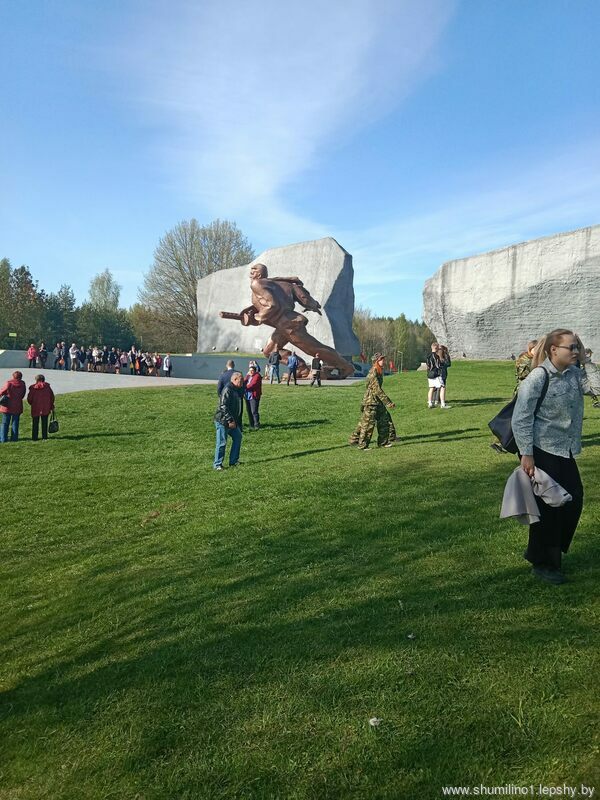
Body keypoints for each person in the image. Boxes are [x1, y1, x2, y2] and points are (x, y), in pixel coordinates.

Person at [512, 329, 600, 585]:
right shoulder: (538, 377)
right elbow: (521, 417)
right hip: (542, 449)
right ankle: (544, 563)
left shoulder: (574, 374)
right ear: (553, 350)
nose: (575, 351)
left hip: (566, 448)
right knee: (550, 508)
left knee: (573, 500)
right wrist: (526, 454)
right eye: (571, 347)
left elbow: (597, 388)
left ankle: (541, 552)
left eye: (577, 347)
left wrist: (586, 361)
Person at [349, 353, 396, 450]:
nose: (383, 361)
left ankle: (383, 442)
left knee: (384, 420)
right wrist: (388, 402)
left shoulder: (379, 370)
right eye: (381, 359)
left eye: (383, 359)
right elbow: (377, 389)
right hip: (371, 402)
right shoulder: (373, 372)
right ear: (376, 361)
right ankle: (363, 445)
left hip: (377, 401)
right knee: (368, 424)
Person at [213, 371, 244, 470]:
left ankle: (233, 461)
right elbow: (223, 406)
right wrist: (230, 420)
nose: (242, 383)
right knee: (222, 442)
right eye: (241, 381)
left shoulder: (236, 389)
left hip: (232, 421)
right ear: (234, 380)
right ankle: (217, 464)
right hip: (223, 420)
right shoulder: (228, 389)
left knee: (238, 437)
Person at [0, 370, 27, 443]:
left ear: (13, 376)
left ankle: (3, 438)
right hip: (17, 405)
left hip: (7, 405)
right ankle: (14, 438)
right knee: (15, 423)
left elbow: (1, 392)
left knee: (5, 423)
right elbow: (23, 394)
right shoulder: (22, 384)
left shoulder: (9, 383)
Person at [27, 374, 55, 440]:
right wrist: (51, 405)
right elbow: (52, 397)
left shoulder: (33, 388)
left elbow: (29, 398)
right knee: (45, 422)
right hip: (45, 407)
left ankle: (34, 437)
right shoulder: (47, 387)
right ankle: (44, 436)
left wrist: (32, 403)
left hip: (35, 407)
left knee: (35, 423)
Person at [244, 364, 262, 429]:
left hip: (254, 396)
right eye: (250, 370)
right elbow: (244, 381)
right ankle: (251, 424)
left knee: (254, 411)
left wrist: (243, 387)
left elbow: (252, 385)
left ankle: (256, 424)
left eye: (252, 370)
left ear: (255, 371)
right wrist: (247, 375)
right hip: (247, 396)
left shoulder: (257, 376)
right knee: (249, 411)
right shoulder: (249, 376)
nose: (251, 372)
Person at [426, 343, 442, 408]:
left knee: (431, 388)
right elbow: (438, 366)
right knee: (442, 387)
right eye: (438, 348)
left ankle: (430, 403)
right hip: (435, 374)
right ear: (436, 348)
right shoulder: (436, 356)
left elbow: (428, 365)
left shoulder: (428, 356)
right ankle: (442, 403)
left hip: (429, 374)